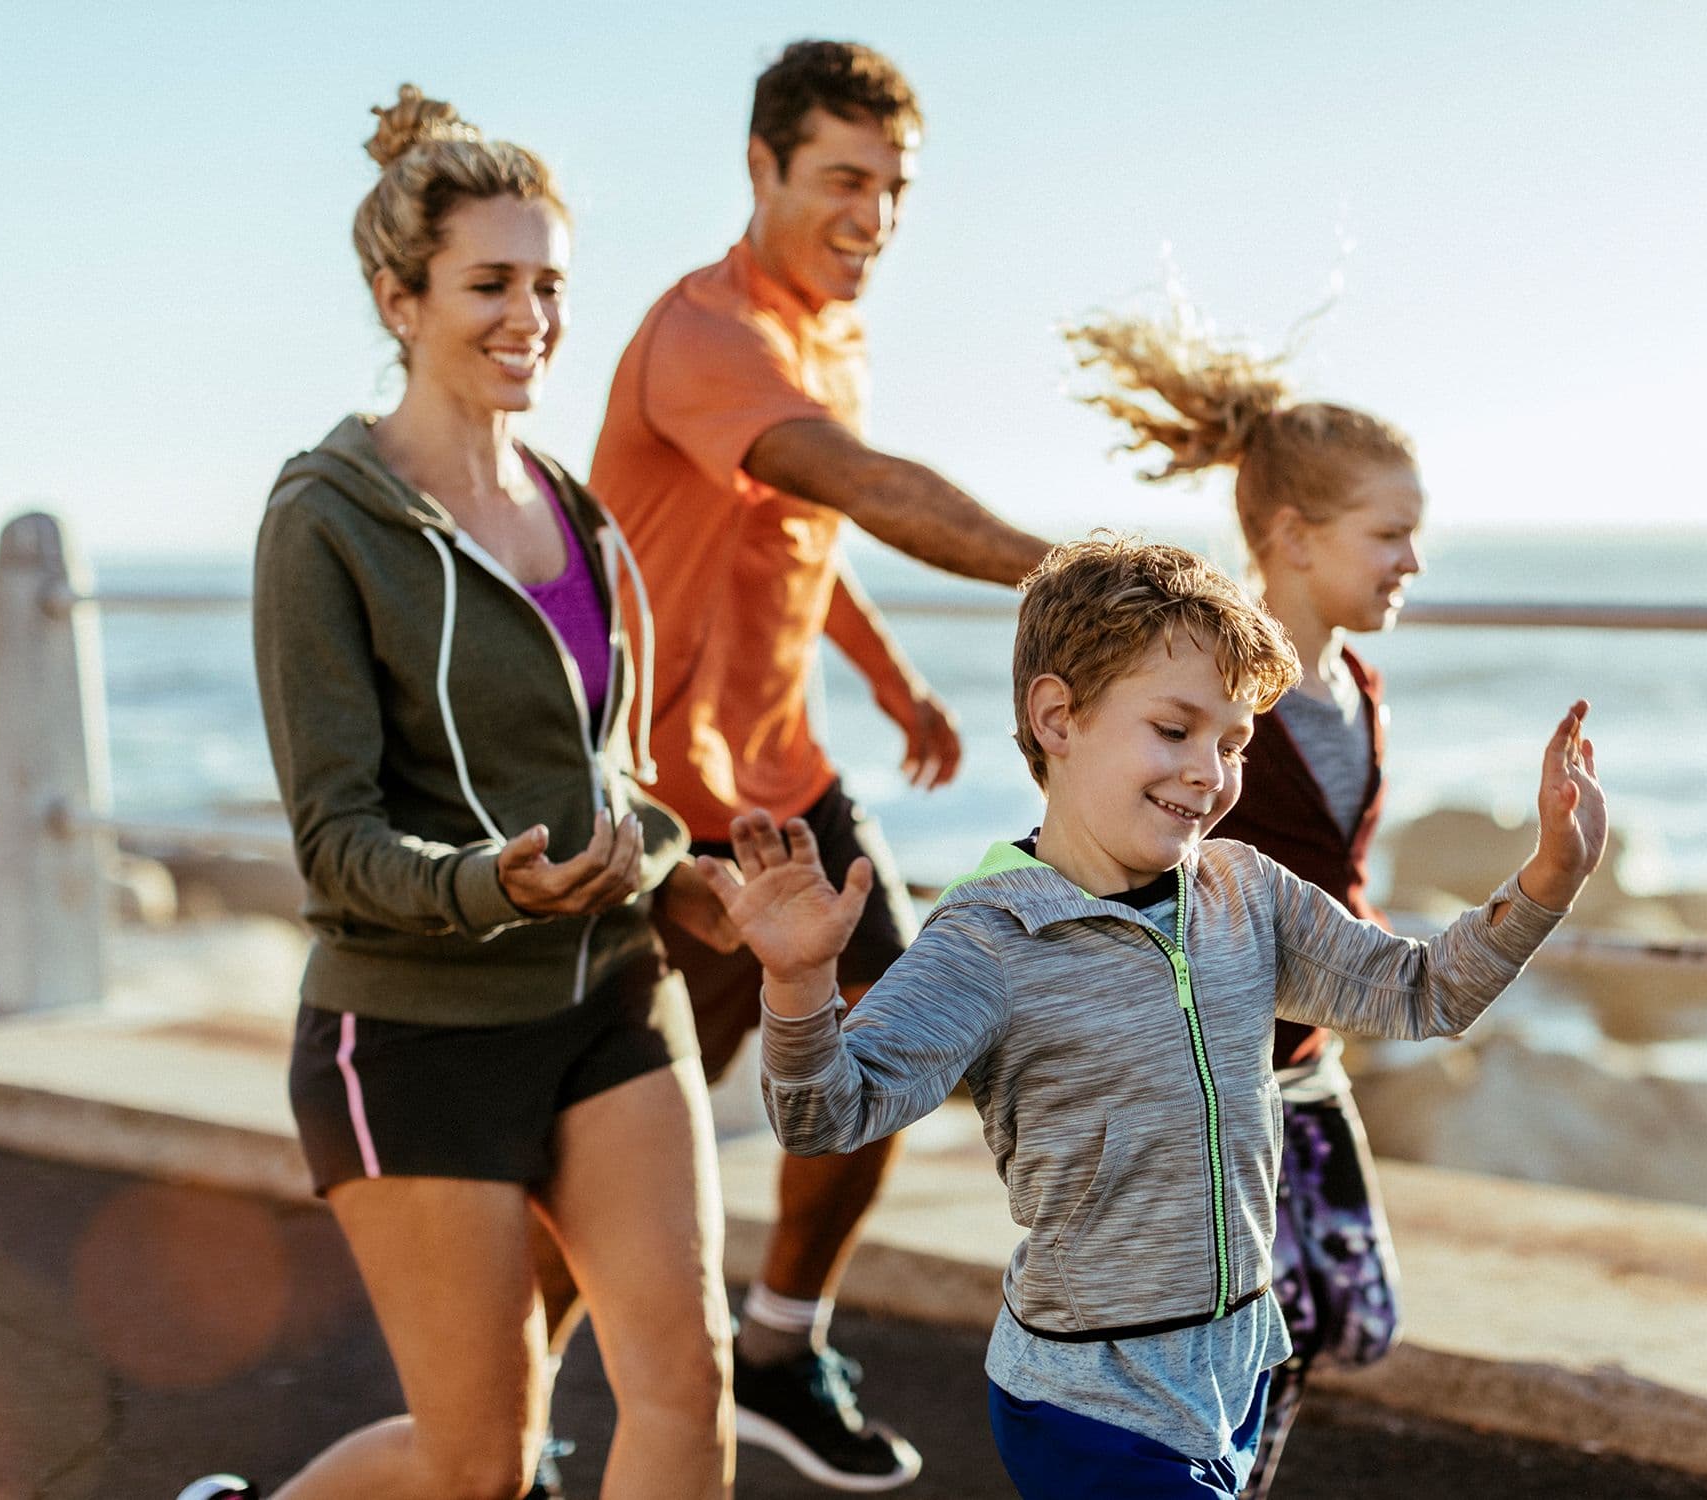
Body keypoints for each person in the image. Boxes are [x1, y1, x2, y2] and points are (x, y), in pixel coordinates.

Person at [702, 536, 1608, 1499]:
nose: (1209, 775)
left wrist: (1547, 880)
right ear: (1058, 718)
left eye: (1232, 744)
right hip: (1090, 1399)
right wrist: (800, 985)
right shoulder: (991, 934)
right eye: (1173, 730)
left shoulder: (1244, 893)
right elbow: (825, 1116)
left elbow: (1422, 992)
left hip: (1236, 1367)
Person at [185, 87, 737, 1500]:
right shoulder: (326, 522)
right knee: (476, 1466)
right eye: (490, 283)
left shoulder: (581, 513)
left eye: (549, 285)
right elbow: (334, 842)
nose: (530, 317)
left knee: (687, 1383)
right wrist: (488, 885)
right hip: (416, 1038)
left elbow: (614, 772)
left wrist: (692, 877)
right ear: (398, 296)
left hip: (609, 999)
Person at [577, 37, 1053, 1491]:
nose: (876, 216)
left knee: (897, 1051)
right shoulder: (709, 333)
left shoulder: (820, 331)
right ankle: (499, 1427)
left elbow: (799, 532)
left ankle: (780, 1343)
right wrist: (1101, 573)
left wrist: (894, 676)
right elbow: (864, 485)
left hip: (786, 781)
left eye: (895, 187)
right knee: (608, 1148)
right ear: (762, 166)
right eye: (845, 179)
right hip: (665, 808)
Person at [1062, 309, 1426, 1493]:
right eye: (1390, 536)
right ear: (1293, 537)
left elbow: (1332, 870)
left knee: (1353, 1314)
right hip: (1212, 1073)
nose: (1410, 563)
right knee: (1238, 1350)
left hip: (1304, 1061)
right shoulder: (1211, 696)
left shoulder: (1357, 682)